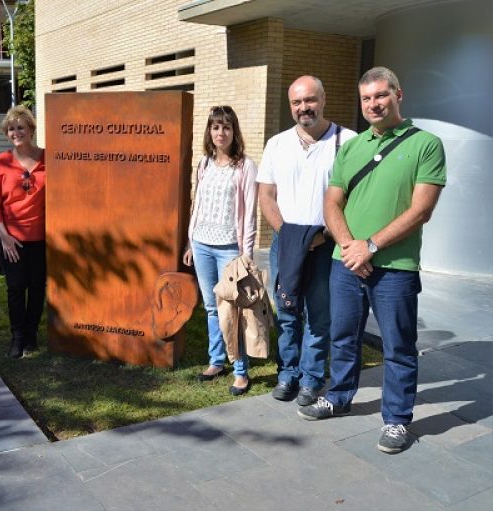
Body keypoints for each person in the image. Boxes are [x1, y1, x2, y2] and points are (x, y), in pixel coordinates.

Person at [298, 67, 446, 455]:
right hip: (346, 262)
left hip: (395, 268)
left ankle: (397, 420)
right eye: (366, 98)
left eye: (381, 95)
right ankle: (340, 395)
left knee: (398, 346)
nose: (374, 104)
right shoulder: (351, 147)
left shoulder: (426, 144)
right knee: (343, 336)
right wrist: (350, 246)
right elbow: (331, 202)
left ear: (399, 94)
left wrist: (372, 247)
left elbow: (421, 210)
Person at [257, 76, 357, 406]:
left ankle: (312, 377)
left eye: (310, 100)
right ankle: (288, 373)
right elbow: (267, 197)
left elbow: (355, 199)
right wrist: (292, 237)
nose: (304, 108)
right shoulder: (277, 144)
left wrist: (323, 236)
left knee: (319, 315)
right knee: (286, 311)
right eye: (297, 103)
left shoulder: (348, 141)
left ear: (324, 98)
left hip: (328, 245)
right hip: (287, 245)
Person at [183, 105, 258, 396]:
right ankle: (216, 361)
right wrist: (190, 241)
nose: (220, 133)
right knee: (212, 307)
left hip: (229, 249)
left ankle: (240, 370)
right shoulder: (204, 164)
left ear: (233, 131)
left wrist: (246, 253)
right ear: (209, 131)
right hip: (201, 244)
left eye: (226, 127)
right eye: (215, 127)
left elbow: (250, 213)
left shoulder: (245, 166)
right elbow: (197, 205)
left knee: (234, 309)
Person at [0, 105, 46, 359]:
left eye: (21, 127)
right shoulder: (1, 162)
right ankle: (17, 336)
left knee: (37, 288)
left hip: (42, 238)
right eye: (11, 128)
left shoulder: (48, 158)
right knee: (15, 288)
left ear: (31, 129)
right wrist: (4, 237)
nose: (16, 132)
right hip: (12, 240)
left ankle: (31, 334)